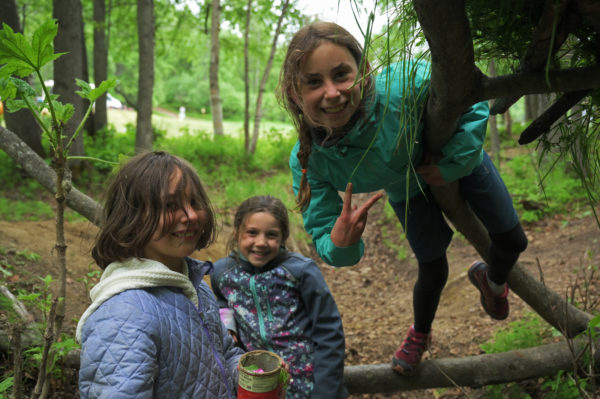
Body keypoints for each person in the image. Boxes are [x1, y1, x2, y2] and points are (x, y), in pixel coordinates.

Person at [277, 21, 528, 376]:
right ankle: (420, 334)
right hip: (405, 189)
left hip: (461, 160)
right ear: (294, 91)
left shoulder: (405, 83)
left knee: (513, 239)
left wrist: (455, 162)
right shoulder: (310, 158)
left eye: (341, 74)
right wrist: (340, 242)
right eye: (314, 82)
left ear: (363, 71)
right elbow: (322, 231)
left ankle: (493, 281)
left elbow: (470, 95)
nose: (332, 93)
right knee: (432, 266)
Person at [77, 150, 244, 398]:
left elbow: (225, 353)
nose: (191, 216)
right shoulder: (124, 316)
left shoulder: (195, 285)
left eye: (194, 202)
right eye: (169, 206)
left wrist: (250, 374)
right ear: (131, 218)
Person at [210, 195, 347, 399]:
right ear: (237, 232)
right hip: (259, 386)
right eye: (252, 233)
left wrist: (326, 391)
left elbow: (329, 331)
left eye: (271, 235)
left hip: (308, 385)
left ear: (283, 237)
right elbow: (222, 301)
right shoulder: (222, 273)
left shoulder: (301, 272)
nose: (261, 242)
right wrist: (228, 325)